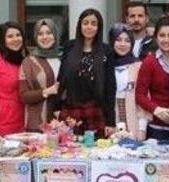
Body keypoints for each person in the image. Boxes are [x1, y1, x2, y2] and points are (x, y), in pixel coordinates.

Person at [57, 8, 114, 137]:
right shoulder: (69, 46)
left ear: (99, 27)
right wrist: (56, 109)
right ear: (80, 25)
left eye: (94, 24)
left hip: (96, 111)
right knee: (68, 152)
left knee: (95, 152)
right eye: (85, 23)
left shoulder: (106, 51)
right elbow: (61, 79)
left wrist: (111, 121)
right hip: (71, 111)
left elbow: (110, 87)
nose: (89, 27)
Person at [136, 17, 169, 142]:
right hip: (157, 128)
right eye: (162, 35)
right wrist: (157, 110)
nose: (166, 40)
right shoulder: (149, 62)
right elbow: (139, 95)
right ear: (156, 38)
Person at [105, 23, 149, 139]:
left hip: (134, 119)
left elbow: (144, 98)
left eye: (127, 40)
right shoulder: (105, 65)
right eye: (118, 40)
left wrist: (142, 129)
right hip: (111, 121)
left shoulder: (139, 66)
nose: (123, 44)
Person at [19, 19, 62, 132]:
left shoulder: (64, 58)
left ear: (55, 34)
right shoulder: (28, 62)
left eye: (49, 32)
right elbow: (23, 96)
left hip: (62, 123)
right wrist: (46, 91)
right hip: (36, 124)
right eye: (40, 34)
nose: (45, 37)